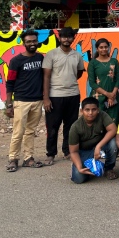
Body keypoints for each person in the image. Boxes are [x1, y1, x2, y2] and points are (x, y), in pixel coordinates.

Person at [43, 27, 85, 165]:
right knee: (53, 126)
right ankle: (51, 153)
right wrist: (46, 98)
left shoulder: (77, 55)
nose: (66, 39)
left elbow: (79, 73)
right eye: (64, 37)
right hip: (55, 95)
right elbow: (46, 76)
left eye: (69, 37)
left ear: (73, 38)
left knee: (71, 126)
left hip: (73, 94)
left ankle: (67, 151)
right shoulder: (52, 54)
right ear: (59, 38)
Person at [5, 29, 45, 172]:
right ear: (24, 43)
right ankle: (13, 159)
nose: (32, 43)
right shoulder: (16, 61)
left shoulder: (41, 58)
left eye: (34, 41)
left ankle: (28, 158)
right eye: (29, 41)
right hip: (21, 101)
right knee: (18, 132)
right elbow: (9, 83)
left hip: (37, 101)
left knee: (30, 131)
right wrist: (9, 104)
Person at [69, 97, 118, 183]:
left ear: (98, 110)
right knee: (79, 179)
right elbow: (73, 152)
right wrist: (80, 168)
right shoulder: (75, 127)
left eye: (93, 109)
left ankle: (109, 168)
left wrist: (98, 146)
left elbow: (113, 129)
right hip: (84, 152)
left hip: (100, 148)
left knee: (114, 141)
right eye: (87, 110)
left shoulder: (102, 115)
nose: (90, 113)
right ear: (81, 111)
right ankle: (89, 166)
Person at [87, 38, 119, 125]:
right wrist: (107, 94)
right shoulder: (93, 63)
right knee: (98, 121)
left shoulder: (114, 61)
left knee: (114, 121)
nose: (104, 49)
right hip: (98, 97)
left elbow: (118, 80)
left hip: (113, 97)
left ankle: (114, 139)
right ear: (97, 49)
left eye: (106, 47)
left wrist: (112, 95)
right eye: (101, 47)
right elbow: (92, 83)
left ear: (109, 48)